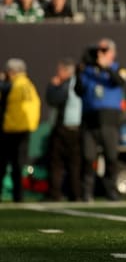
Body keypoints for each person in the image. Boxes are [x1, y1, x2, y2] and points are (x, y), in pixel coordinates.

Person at [75, 38, 126, 202]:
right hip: (90, 119)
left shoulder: (118, 68)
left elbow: (119, 81)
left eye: (104, 51)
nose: (100, 54)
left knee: (111, 157)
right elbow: (79, 90)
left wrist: (105, 66)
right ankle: (87, 192)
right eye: (99, 51)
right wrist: (79, 72)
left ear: (112, 53)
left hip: (109, 119)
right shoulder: (88, 71)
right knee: (89, 157)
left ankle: (110, 190)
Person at [0, 58, 41, 202]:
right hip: (25, 129)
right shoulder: (29, 85)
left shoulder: (12, 85)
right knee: (18, 165)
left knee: (3, 164)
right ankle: (19, 196)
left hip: (10, 128)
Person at [45, 58, 82, 201]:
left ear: (66, 71)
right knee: (74, 164)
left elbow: (54, 99)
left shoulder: (67, 84)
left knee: (57, 163)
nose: (57, 73)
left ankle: (55, 194)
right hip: (75, 128)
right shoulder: (77, 83)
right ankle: (75, 194)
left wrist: (52, 86)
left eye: (59, 70)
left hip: (65, 128)